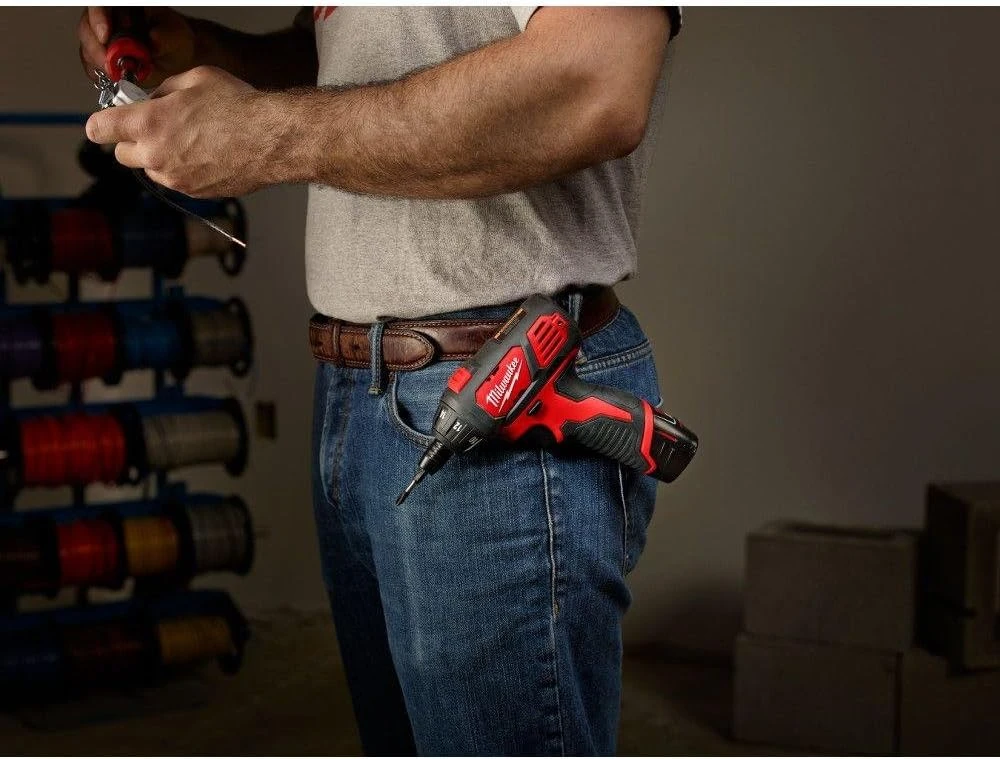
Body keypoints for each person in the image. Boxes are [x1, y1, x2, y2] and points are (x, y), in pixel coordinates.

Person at [80, 6, 682, 755]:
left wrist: (265, 132)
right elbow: (348, 69)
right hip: (358, 396)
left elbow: (596, 79)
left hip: (498, 397)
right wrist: (203, 52)